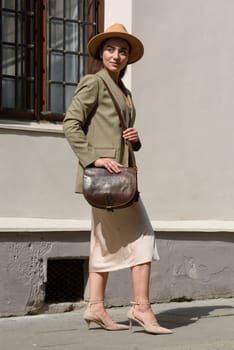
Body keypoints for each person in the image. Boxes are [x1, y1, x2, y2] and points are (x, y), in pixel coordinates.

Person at [63, 23, 172, 335]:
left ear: (128, 58)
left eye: (122, 51)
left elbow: (117, 133)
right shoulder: (93, 83)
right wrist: (93, 158)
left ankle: (96, 307)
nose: (117, 55)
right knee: (144, 236)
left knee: (103, 242)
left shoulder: (124, 92)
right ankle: (141, 308)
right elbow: (71, 124)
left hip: (119, 179)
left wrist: (134, 140)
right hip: (105, 178)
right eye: (111, 49)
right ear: (101, 52)